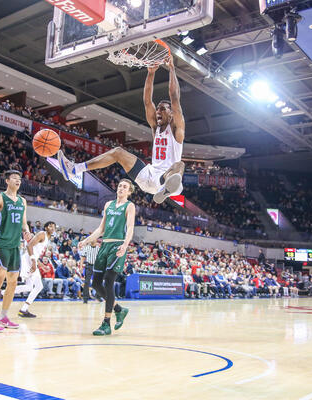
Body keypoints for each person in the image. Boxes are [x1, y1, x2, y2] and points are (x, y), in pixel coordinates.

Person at [57, 55, 185, 204]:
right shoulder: (155, 127)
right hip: (149, 175)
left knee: (180, 165)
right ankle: (74, 169)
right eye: (157, 109)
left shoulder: (177, 130)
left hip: (167, 178)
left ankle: (166, 188)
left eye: (162, 109)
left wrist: (172, 69)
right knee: (117, 152)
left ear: (171, 114)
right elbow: (147, 102)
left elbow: (174, 97)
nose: (157, 112)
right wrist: (150, 74)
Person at [78, 179, 134, 335]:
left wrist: (125, 245)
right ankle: (119, 309)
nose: (121, 188)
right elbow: (101, 229)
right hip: (104, 246)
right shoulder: (108, 205)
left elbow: (130, 227)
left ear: (129, 192)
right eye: (120, 185)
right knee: (96, 283)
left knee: (109, 281)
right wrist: (87, 240)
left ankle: (106, 323)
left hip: (117, 245)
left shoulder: (129, 206)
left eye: (125, 187)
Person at [0, 170, 29, 332]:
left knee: (13, 282)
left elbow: (24, 223)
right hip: (1, 244)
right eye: (15, 178)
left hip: (16, 245)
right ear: (7, 181)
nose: (18, 181)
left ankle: (3, 317)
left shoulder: (22, 201)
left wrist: (27, 231)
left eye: (20, 179)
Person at [11, 221, 55, 318]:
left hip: (32, 260)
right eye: (50, 226)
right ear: (46, 227)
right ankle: (4, 294)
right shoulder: (42, 234)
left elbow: (35, 252)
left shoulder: (47, 239)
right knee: (37, 286)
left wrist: (42, 266)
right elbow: (29, 246)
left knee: (32, 287)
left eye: (54, 227)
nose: (52, 228)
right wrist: (33, 262)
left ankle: (23, 309)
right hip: (28, 260)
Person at [80, 238, 101, 303]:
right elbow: (82, 258)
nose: (92, 240)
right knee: (86, 282)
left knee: (97, 282)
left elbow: (101, 258)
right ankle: (85, 299)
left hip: (96, 266)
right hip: (88, 266)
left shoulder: (98, 248)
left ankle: (98, 297)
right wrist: (81, 267)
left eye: (93, 239)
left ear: (96, 240)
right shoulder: (86, 248)